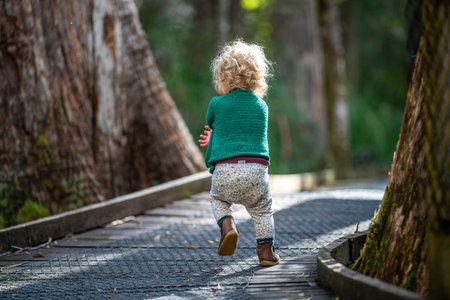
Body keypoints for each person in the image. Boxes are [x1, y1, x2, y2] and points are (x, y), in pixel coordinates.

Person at [199, 40, 280, 266]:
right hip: (255, 173)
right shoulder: (261, 106)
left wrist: (212, 138)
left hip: (225, 173)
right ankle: (266, 252)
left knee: (217, 199)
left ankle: (227, 226)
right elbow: (247, 135)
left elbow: (216, 126)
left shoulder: (216, 104)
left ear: (224, 77)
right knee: (263, 211)